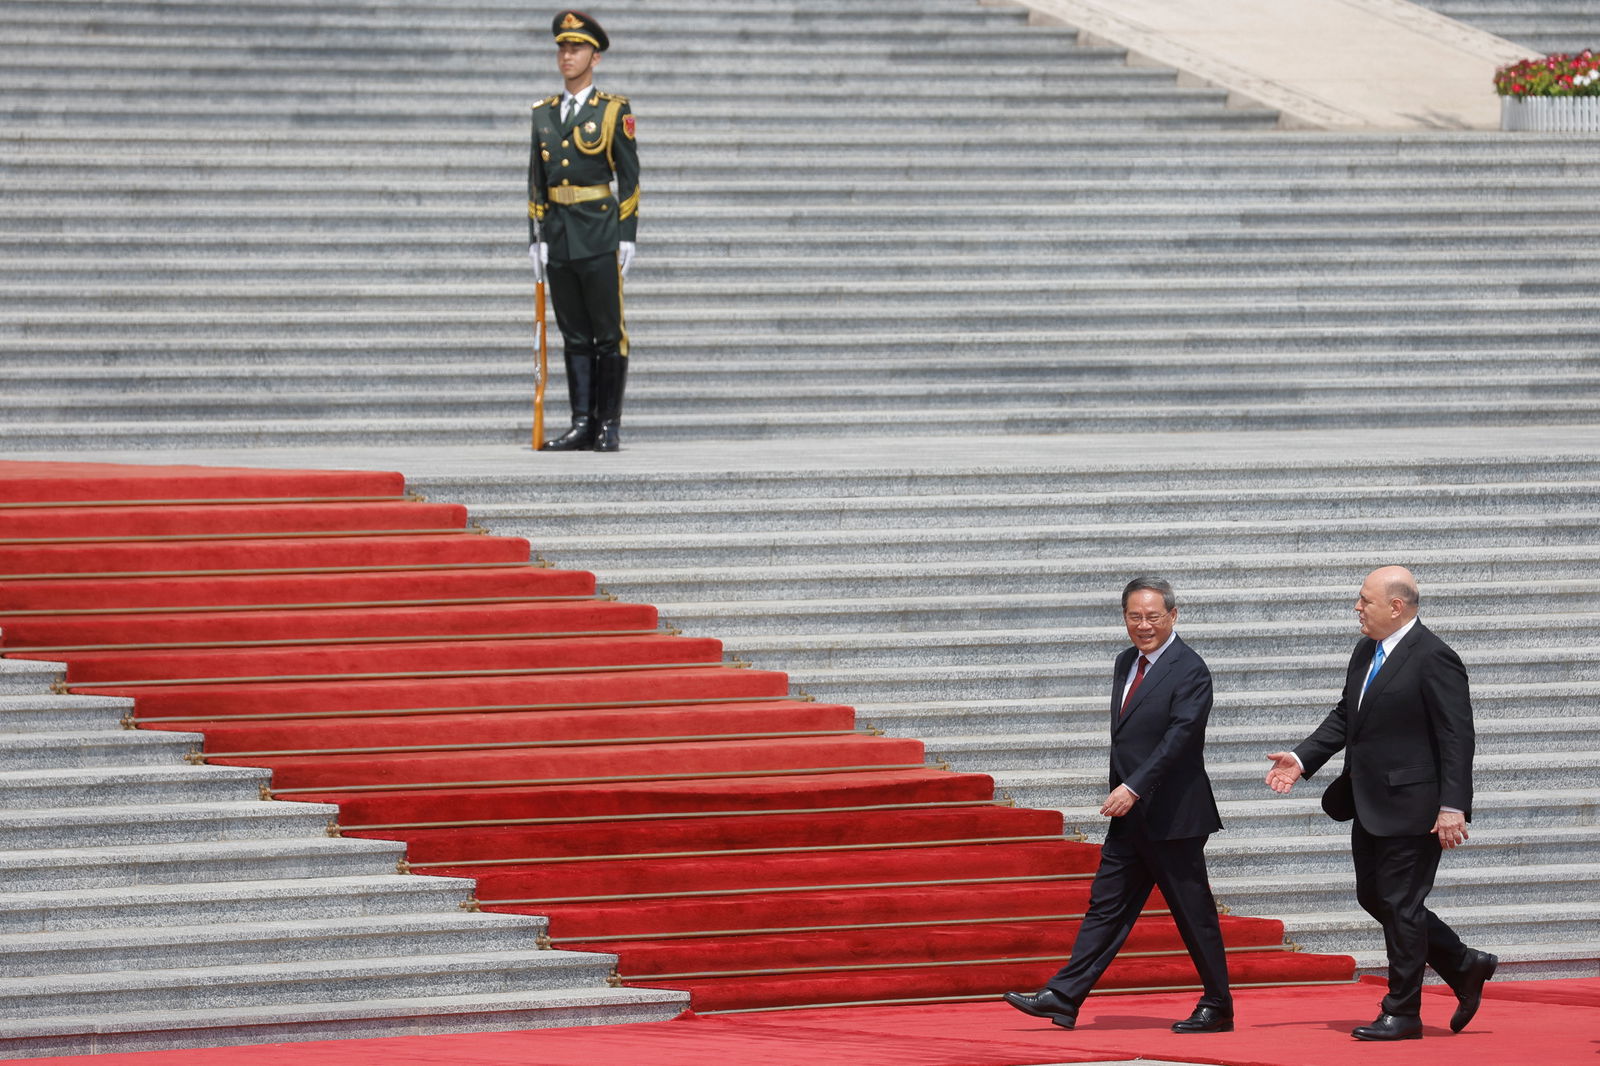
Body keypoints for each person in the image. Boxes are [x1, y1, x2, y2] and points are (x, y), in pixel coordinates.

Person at [1265, 565, 1497, 1041]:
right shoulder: (1366, 650)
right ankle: (1464, 962)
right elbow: (1346, 714)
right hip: (1369, 802)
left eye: (1364, 600)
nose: (1357, 608)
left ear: (1396, 606)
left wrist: (1454, 805)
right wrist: (1301, 758)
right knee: (1377, 897)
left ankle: (1403, 1011)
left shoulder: (1435, 657)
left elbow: (1458, 737)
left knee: (1402, 904)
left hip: (1416, 806)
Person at [1005, 576, 1233, 1034]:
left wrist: (1133, 787)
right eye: (1134, 616)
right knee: (1105, 906)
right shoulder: (1126, 661)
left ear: (1173, 615)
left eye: (1153, 616)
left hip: (1174, 816)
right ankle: (1065, 996)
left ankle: (1218, 1005)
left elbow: (1180, 740)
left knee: (1193, 914)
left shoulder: (1191, 669)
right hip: (1131, 817)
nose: (1143, 625)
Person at [528, 9, 640, 452]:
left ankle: (608, 424)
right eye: (562, 47)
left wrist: (626, 232)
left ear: (595, 57)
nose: (566, 55)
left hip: (597, 229)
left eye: (576, 48)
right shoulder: (543, 113)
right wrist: (535, 237)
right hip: (558, 231)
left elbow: (629, 176)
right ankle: (581, 423)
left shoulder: (613, 110)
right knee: (573, 331)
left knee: (607, 330)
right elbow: (536, 178)